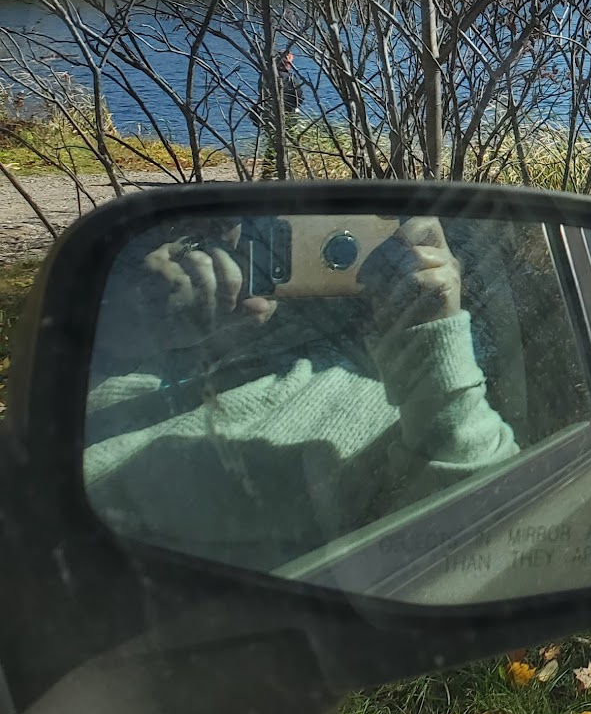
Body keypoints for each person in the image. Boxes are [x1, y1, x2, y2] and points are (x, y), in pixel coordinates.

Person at [83, 216, 520, 573]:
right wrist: (130, 333)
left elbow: (486, 521)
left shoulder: (407, 412)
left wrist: (435, 336)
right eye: (270, 232)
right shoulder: (225, 330)